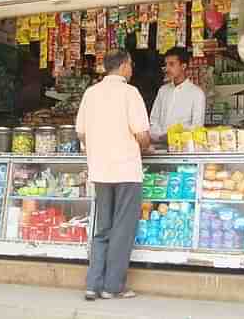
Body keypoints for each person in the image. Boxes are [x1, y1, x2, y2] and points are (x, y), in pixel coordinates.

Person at [76, 49, 150, 301]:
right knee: (122, 228)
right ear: (124, 66)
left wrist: (96, 150)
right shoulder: (130, 93)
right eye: (131, 64)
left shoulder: (91, 93)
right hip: (126, 169)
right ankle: (112, 287)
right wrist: (145, 145)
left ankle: (92, 284)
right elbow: (142, 134)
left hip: (100, 170)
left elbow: (81, 133)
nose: (132, 68)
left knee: (103, 227)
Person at [150, 47, 206, 143]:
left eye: (171, 64)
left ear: (183, 66)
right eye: (166, 64)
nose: (167, 69)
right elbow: (154, 120)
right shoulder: (163, 91)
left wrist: (175, 137)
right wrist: (160, 136)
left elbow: (197, 126)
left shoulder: (197, 93)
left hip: (184, 149)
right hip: (161, 147)